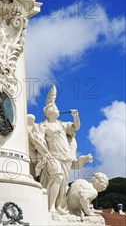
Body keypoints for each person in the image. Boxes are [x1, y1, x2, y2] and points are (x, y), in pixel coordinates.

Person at [28, 86, 92, 215]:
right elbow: (39, 141)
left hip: (65, 158)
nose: (58, 109)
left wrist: (76, 116)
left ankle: (59, 207)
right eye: (55, 107)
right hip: (52, 157)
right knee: (57, 178)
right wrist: (45, 154)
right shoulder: (43, 126)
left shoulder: (62, 124)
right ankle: (50, 206)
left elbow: (76, 127)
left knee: (63, 184)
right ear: (49, 112)